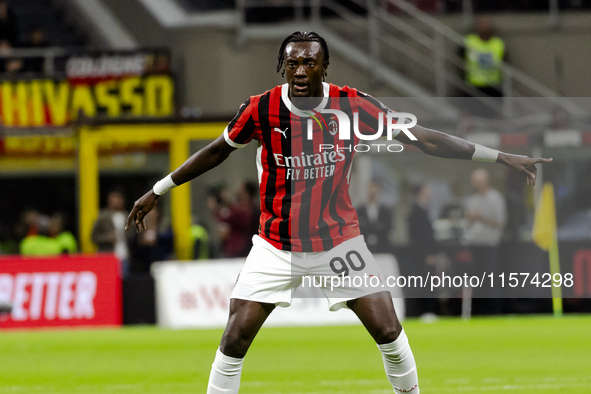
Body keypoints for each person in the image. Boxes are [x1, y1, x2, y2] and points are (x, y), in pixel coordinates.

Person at [126, 31, 551, 394]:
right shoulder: (261, 109)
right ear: (281, 66)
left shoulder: (353, 106)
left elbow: (424, 139)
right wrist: (158, 189)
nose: (299, 70)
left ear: (324, 66)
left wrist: (496, 157)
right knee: (235, 336)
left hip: (337, 242)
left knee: (388, 331)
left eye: (309, 63)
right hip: (275, 244)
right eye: (291, 63)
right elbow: (217, 151)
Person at [464, 168, 507, 314]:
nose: (477, 185)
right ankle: (478, 312)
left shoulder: (495, 198)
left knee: (491, 281)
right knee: (477, 281)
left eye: (479, 182)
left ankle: (494, 311)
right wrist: (471, 218)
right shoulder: (473, 199)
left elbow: (500, 222)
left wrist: (480, 217)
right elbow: (468, 223)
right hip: (475, 245)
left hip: (490, 245)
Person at [461, 16, 506, 98]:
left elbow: (505, 61)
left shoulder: (498, 43)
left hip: (492, 85)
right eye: (482, 24)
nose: (484, 27)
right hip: (474, 85)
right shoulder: (469, 41)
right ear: (477, 26)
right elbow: (459, 58)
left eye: (486, 24)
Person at [92, 190, 133, 276]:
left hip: (124, 256)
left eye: (118, 199)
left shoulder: (127, 216)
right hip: (107, 257)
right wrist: (107, 238)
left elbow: (132, 235)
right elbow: (93, 237)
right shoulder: (102, 216)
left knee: (124, 283)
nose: (116, 202)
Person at [357, 179, 393, 254]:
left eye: (374, 188)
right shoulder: (360, 210)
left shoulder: (385, 211)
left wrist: (367, 225)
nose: (372, 190)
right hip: (364, 248)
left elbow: (388, 227)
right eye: (370, 187)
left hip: (382, 248)